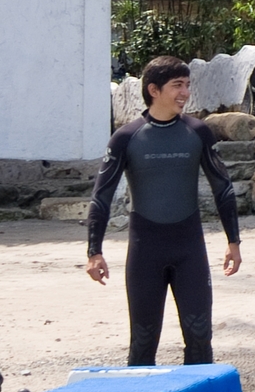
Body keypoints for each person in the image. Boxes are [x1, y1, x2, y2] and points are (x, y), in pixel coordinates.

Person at [85, 56, 243, 365]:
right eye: (177, 86)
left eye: (187, 85)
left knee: (200, 339)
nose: (185, 92)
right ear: (154, 90)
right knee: (143, 343)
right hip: (146, 251)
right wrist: (94, 250)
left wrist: (233, 242)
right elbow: (100, 197)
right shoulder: (126, 138)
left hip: (189, 250)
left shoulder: (198, 132)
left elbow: (222, 188)